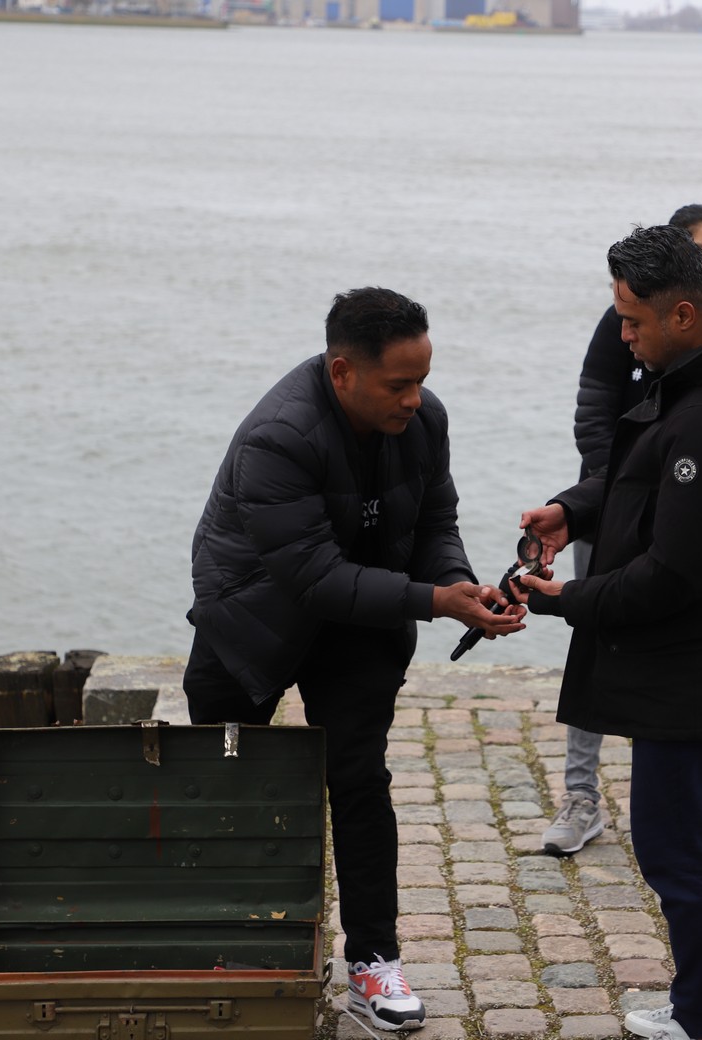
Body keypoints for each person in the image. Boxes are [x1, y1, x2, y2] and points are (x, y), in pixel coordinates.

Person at [181, 286, 524, 1031]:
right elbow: (313, 577)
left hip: (364, 620)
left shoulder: (424, 421)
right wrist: (435, 600)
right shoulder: (278, 436)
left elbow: (435, 521)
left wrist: (460, 583)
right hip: (252, 617)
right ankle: (228, 947)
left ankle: (374, 962)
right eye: (398, 385)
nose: (414, 399)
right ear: (343, 372)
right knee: (225, 786)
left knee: (361, 781)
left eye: (422, 380)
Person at [514, 225, 702, 1040]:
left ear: (683, 314)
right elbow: (638, 480)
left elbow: (678, 572)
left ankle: (698, 1021)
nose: (622, 336)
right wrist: (573, 510)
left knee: (677, 849)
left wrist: (567, 600)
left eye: (632, 321)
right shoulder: (696, 377)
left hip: (696, 662)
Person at [545, 203, 702, 857]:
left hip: (675, 515)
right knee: (596, 633)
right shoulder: (626, 322)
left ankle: (695, 796)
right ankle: (581, 795)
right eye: (700, 249)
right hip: (608, 504)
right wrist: (605, 497)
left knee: (673, 646)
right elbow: (593, 406)